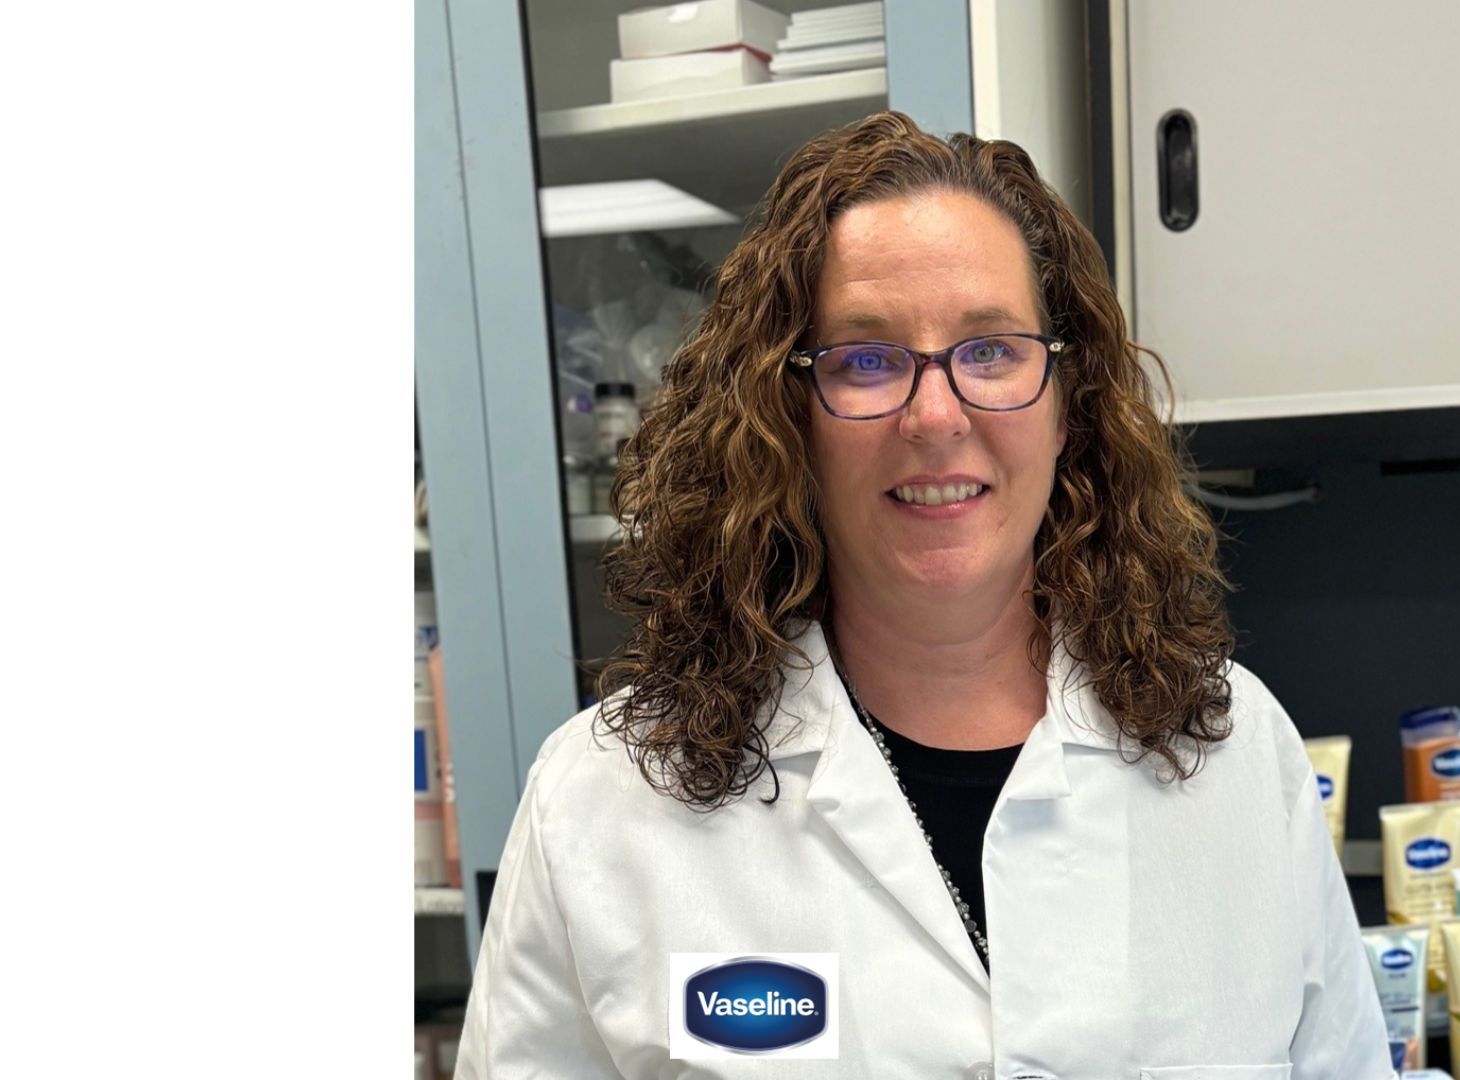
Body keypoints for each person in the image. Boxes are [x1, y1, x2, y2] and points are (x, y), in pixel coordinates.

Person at [455, 111, 1391, 1079]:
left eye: (991, 351)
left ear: (1069, 404)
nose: (936, 416)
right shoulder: (606, 805)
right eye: (866, 360)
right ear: (787, 419)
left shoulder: (1235, 758)